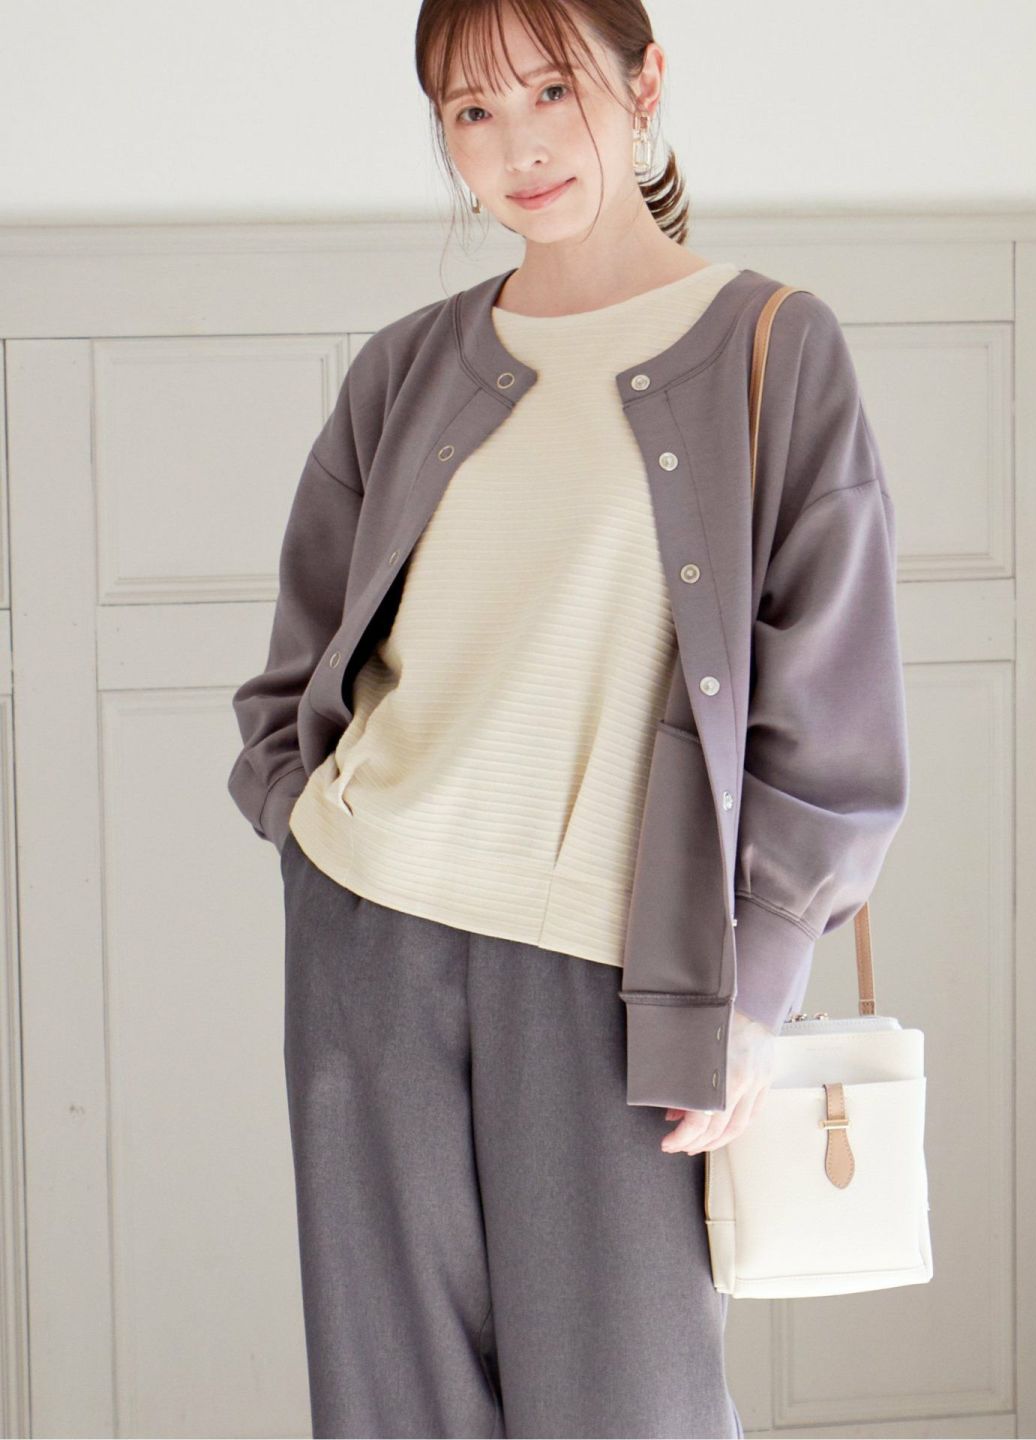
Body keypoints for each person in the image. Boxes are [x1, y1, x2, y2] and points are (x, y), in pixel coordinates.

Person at [227, 1, 910, 1435]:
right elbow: (303, 654)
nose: (519, 145)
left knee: (629, 1407)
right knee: (394, 1408)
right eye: (472, 111)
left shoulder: (771, 348)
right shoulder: (408, 367)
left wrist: (754, 987)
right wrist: (306, 827)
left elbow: (833, 712)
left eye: (553, 90)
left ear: (645, 81)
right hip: (370, 939)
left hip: (619, 973)